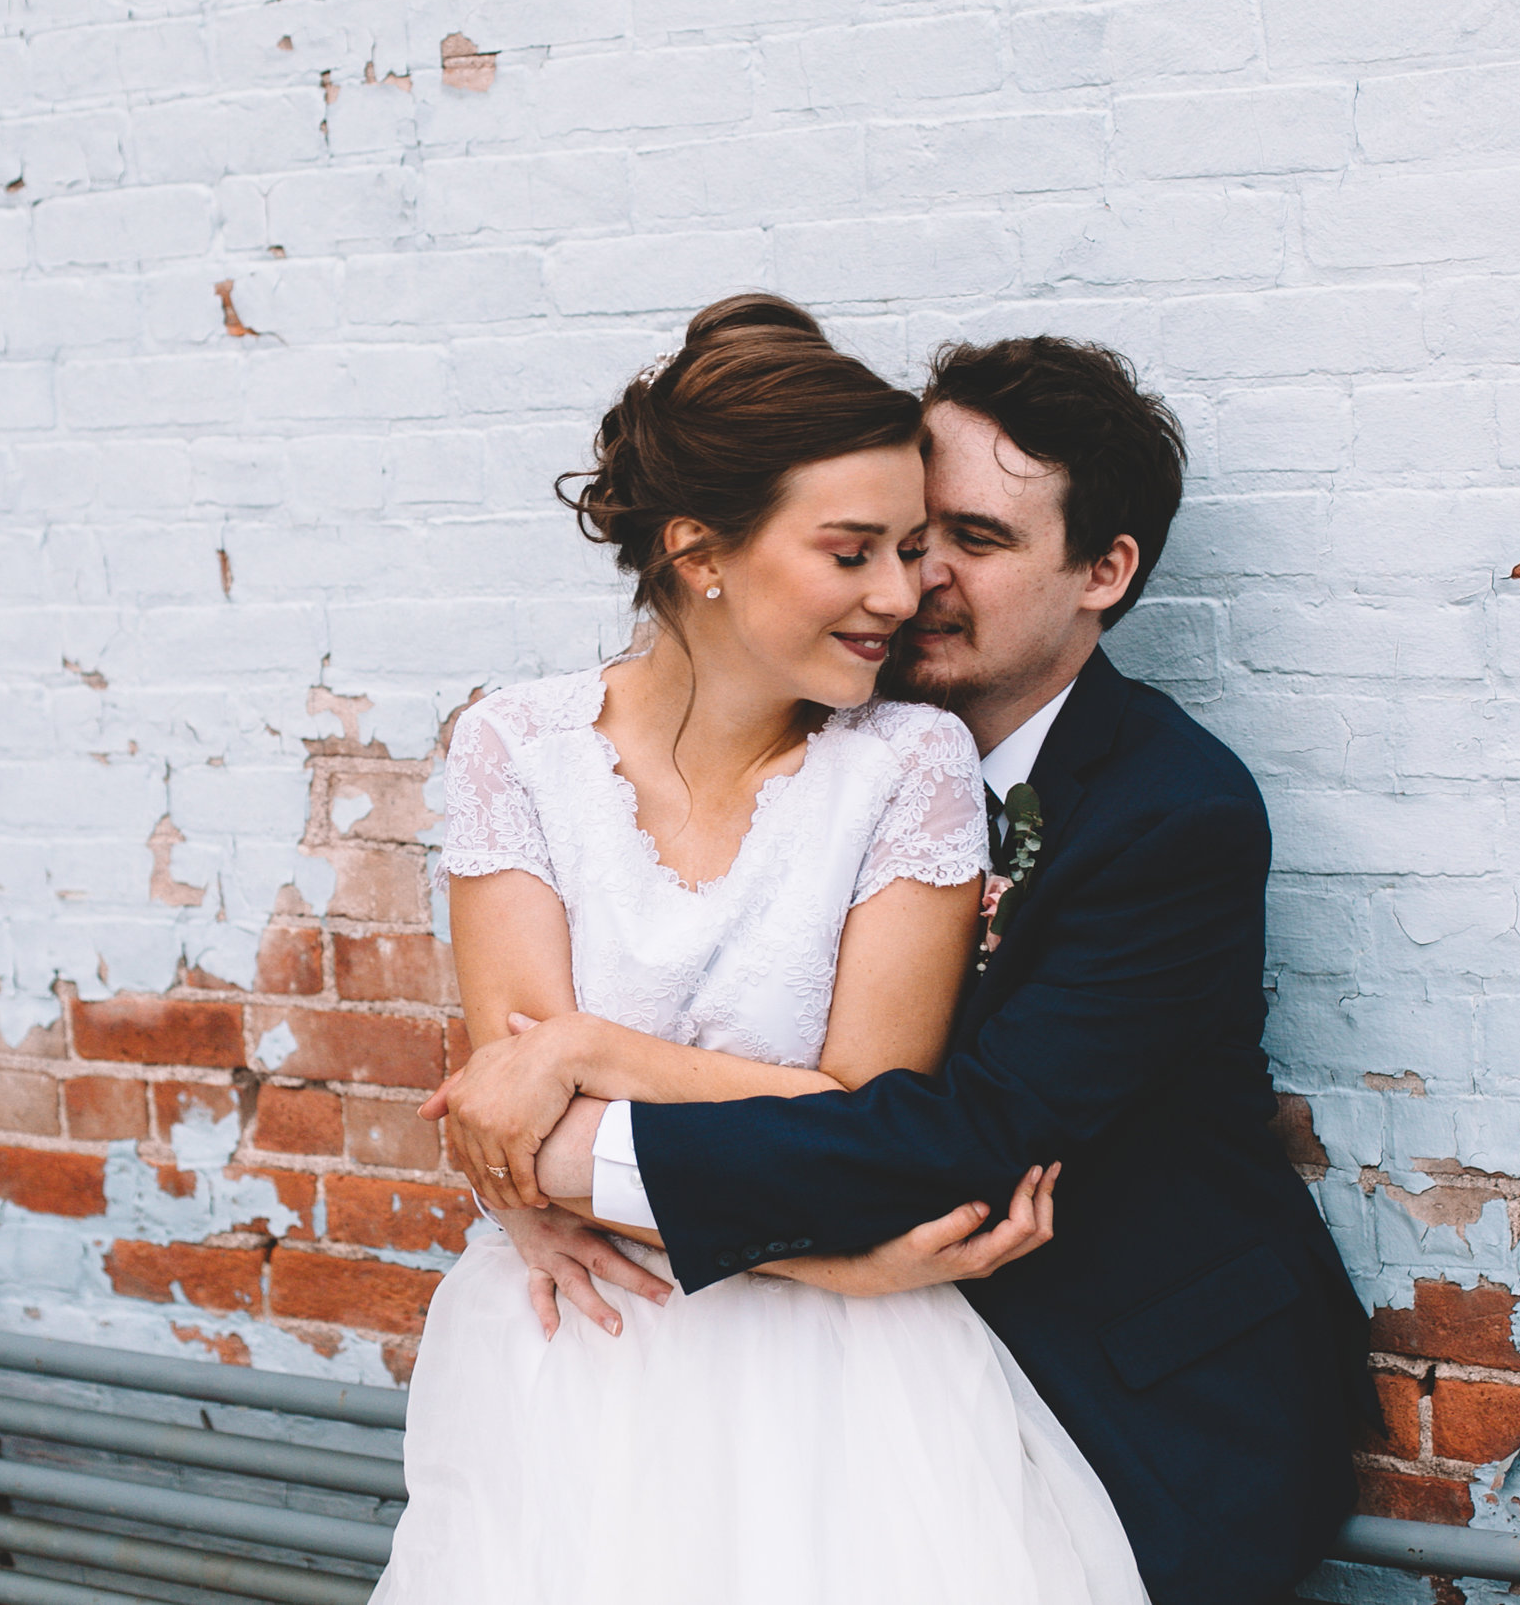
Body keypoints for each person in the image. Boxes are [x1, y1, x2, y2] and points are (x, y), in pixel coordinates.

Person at [441, 331, 1380, 1605]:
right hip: (806, 1336)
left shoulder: (1171, 813)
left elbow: (964, 1136)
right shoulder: (793, 736)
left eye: (974, 543)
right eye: (894, 534)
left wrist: (558, 1143)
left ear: (1103, 570)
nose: (912, 580)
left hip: (1126, 1388)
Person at [370, 294, 1149, 1605]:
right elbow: (523, 1146)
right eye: (855, 552)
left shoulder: (910, 765)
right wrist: (843, 1258)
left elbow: (872, 1115)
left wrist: (595, 1052)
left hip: (841, 1392)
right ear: (700, 550)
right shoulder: (516, 748)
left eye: (913, 548)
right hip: (580, 1349)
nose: (902, 595)